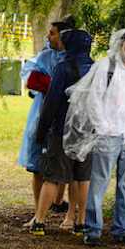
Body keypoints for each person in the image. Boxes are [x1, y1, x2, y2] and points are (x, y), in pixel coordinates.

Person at [64, 29, 125, 246]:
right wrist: (103, 126)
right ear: (120, 46)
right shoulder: (106, 67)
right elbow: (94, 99)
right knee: (99, 182)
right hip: (109, 133)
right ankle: (92, 229)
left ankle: (124, 229)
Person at [30, 28, 95, 236]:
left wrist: (41, 131)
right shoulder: (96, 69)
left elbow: (52, 101)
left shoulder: (63, 68)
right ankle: (81, 222)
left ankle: (39, 221)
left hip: (62, 130)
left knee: (53, 177)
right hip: (88, 129)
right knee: (82, 177)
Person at [18, 17, 72, 228]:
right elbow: (31, 79)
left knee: (65, 166)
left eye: (53, 33)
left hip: (64, 119)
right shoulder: (45, 56)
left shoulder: (73, 59)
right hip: (41, 115)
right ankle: (38, 212)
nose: (48, 36)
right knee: (37, 166)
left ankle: (67, 211)